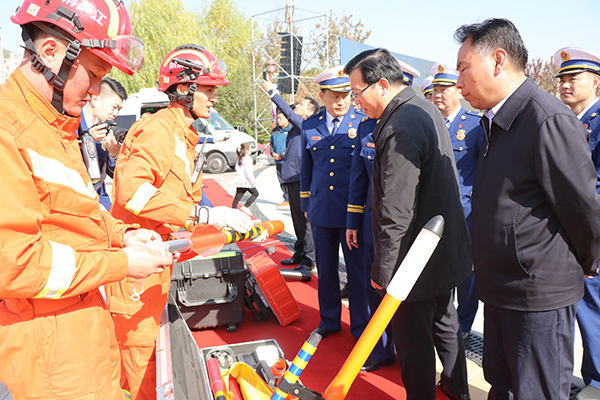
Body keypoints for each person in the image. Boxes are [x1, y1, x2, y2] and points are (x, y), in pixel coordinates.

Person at [0, 1, 175, 399]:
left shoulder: (53, 127)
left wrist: (123, 235)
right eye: (94, 74)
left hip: (81, 334)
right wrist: (122, 263)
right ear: (50, 54)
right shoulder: (9, 130)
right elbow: (15, 264)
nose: (97, 90)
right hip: (49, 356)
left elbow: (79, 210)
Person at [454, 19, 600, 399]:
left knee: (538, 390)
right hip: (501, 288)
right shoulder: (493, 121)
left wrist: (587, 264)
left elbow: (583, 209)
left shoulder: (546, 118)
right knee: (501, 385)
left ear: (498, 60)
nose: (458, 82)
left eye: (464, 68)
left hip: (536, 294)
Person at [108, 44, 253, 399]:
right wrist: (204, 215)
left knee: (152, 355)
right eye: (208, 89)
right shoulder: (158, 130)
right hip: (135, 265)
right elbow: (133, 194)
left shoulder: (182, 135)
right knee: (139, 361)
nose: (214, 97)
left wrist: (216, 221)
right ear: (184, 87)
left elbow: (177, 199)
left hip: (157, 260)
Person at [345, 48, 472, 400]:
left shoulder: (399, 124)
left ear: (382, 84)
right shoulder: (423, 106)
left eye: (357, 92)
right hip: (442, 248)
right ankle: (457, 388)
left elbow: (396, 207)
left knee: (413, 342)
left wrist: (384, 272)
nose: (356, 102)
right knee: (445, 322)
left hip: (413, 258)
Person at [346, 59, 422, 373]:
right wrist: (352, 221)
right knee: (371, 288)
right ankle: (380, 349)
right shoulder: (366, 125)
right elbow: (358, 178)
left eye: (357, 92)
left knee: (404, 296)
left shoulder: (411, 122)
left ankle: (409, 351)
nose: (356, 101)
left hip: (404, 228)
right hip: (370, 224)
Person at [300, 65, 368, 340]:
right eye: (334, 95)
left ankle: (361, 325)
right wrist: (306, 205)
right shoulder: (310, 125)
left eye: (346, 95)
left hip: (352, 211)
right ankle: (329, 319)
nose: (341, 101)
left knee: (357, 273)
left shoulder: (362, 122)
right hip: (321, 211)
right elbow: (307, 170)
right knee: (326, 270)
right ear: (322, 95)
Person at [554, 46, 600, 400]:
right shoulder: (569, 119)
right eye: (563, 79)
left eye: (574, 78)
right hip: (566, 233)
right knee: (572, 309)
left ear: (595, 83)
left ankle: (597, 381)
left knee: (592, 309)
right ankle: (577, 377)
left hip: (590, 234)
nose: (566, 85)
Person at [430, 62, 484, 338]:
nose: (439, 94)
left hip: (466, 214)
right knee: (438, 273)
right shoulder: (428, 124)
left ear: (459, 91)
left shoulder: (475, 126)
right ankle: (443, 322)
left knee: (465, 275)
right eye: (436, 88)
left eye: (445, 88)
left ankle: (462, 326)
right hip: (434, 215)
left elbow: (484, 172)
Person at [262, 79, 318, 270]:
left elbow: (288, 113)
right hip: (293, 178)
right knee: (296, 219)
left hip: (302, 179)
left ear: (309, 112)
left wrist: (273, 92)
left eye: (302, 105)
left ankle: (309, 260)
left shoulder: (307, 124)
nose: (298, 106)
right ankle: (300, 252)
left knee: (305, 221)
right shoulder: (297, 127)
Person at [80, 77, 128, 210]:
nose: (116, 113)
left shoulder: (105, 129)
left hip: (100, 199)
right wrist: (87, 140)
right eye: (114, 107)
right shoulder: (73, 122)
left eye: (119, 109)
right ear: (95, 99)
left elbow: (112, 174)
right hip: (78, 197)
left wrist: (113, 154)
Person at [232, 142, 259, 213]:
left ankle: (233, 210)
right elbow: (248, 171)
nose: (251, 151)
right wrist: (253, 179)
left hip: (239, 180)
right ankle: (246, 206)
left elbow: (236, 168)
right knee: (255, 193)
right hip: (246, 180)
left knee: (237, 197)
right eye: (250, 149)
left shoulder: (239, 158)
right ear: (246, 151)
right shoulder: (248, 159)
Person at [271, 109, 290, 208]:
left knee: (289, 181)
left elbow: (291, 146)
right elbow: (271, 144)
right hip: (278, 161)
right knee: (281, 181)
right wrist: (273, 153)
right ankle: (286, 198)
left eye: (280, 118)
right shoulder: (275, 131)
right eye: (277, 118)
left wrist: (281, 155)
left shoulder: (291, 130)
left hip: (287, 161)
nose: (278, 120)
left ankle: (289, 198)